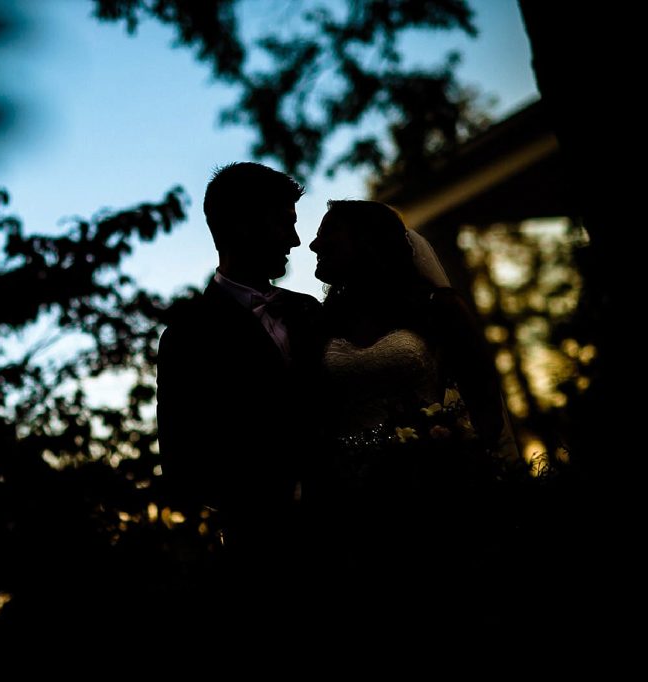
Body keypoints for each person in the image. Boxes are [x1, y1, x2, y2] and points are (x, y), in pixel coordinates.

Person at [307, 199, 520, 633]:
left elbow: (485, 405)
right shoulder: (320, 323)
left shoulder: (436, 309)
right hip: (354, 509)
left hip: (440, 496)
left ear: (367, 242)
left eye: (329, 234)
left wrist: (460, 467)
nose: (313, 244)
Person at [156, 162, 323, 628]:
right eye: (284, 223)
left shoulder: (309, 312)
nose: (294, 240)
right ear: (242, 227)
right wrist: (268, 500)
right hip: (265, 560)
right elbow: (182, 464)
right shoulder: (187, 337)